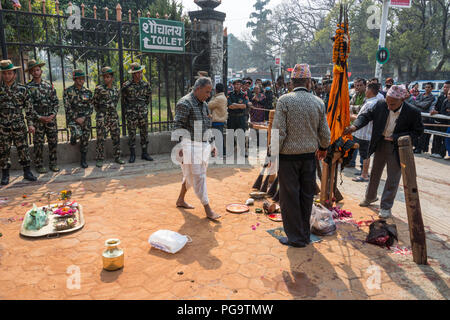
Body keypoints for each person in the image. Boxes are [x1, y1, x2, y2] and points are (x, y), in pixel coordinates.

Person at [271, 64, 331, 247]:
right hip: (309, 159)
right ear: (308, 82)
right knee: (306, 196)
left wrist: (272, 154)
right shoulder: (318, 102)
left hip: (288, 158)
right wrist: (322, 147)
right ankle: (304, 234)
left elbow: (279, 132)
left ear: (292, 82)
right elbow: (325, 135)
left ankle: (295, 238)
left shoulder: (284, 101)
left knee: (289, 198)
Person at [344, 85, 424, 218]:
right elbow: (366, 116)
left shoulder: (413, 112)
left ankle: (386, 207)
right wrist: (354, 126)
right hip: (380, 142)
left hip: (398, 147)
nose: (388, 106)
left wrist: (396, 137)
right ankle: (370, 197)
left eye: (392, 104)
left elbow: (418, 131)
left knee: (393, 177)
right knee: (375, 172)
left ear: (402, 100)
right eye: (387, 102)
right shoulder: (381, 104)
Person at [174, 77, 220, 221]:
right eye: (206, 92)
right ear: (197, 89)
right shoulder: (185, 103)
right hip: (189, 145)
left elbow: (207, 126)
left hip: (202, 145)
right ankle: (208, 208)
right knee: (199, 177)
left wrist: (212, 145)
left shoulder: (204, 104)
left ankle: (180, 200)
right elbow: (177, 126)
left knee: (190, 175)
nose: (208, 95)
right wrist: (180, 146)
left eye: (210, 92)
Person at [0, 59, 38, 185]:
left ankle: (27, 172)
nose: (7, 76)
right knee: (3, 150)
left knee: (23, 149)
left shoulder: (22, 89)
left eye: (9, 73)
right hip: (2, 126)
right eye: (4, 73)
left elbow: (29, 109)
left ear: (14, 74)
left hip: (19, 125)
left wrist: (31, 124)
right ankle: (5, 175)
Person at [25, 59, 60, 173]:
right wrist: (39, 117)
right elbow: (29, 106)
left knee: (53, 142)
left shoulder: (48, 86)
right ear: (30, 73)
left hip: (50, 119)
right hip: (38, 120)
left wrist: (52, 115)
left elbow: (56, 102)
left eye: (37, 70)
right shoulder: (28, 88)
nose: (36, 72)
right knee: (38, 143)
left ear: (41, 71)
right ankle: (39, 165)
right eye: (33, 71)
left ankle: (53, 163)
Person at [92, 66, 125, 168]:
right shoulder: (99, 89)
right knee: (101, 138)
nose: (106, 79)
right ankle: (100, 159)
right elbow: (95, 102)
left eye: (108, 77)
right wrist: (101, 112)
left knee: (116, 137)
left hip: (113, 116)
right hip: (102, 116)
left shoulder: (115, 89)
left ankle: (117, 156)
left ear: (112, 78)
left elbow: (116, 101)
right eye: (104, 77)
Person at [122, 62, 153, 163]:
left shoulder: (146, 85)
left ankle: (145, 153)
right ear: (133, 74)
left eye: (140, 72)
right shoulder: (126, 86)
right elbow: (124, 100)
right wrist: (130, 109)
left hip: (143, 113)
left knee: (144, 133)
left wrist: (142, 108)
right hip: (131, 114)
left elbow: (148, 99)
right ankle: (133, 154)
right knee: (132, 134)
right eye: (137, 73)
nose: (139, 75)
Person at [63, 69, 93, 169]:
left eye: (82, 78)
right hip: (73, 119)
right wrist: (76, 118)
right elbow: (67, 107)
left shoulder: (88, 92)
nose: (81, 80)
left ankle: (83, 159)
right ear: (74, 79)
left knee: (85, 138)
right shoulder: (68, 91)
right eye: (79, 79)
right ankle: (73, 136)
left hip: (85, 119)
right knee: (77, 133)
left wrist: (84, 117)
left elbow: (90, 107)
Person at [351, 83, 379, 182]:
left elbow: (361, 118)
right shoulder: (373, 102)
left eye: (367, 89)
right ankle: (364, 172)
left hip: (364, 133)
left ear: (370, 90)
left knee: (365, 155)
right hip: (365, 133)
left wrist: (350, 116)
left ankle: (364, 175)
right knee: (365, 155)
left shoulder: (371, 104)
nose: (365, 91)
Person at [347, 78, 367, 168]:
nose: (358, 87)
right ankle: (351, 162)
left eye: (360, 85)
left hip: (363, 124)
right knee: (353, 144)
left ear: (365, 86)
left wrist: (353, 109)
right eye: (356, 86)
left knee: (363, 145)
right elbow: (348, 106)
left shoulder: (367, 95)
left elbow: (363, 108)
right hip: (354, 123)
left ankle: (363, 166)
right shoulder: (355, 95)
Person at [412, 82, 436, 154]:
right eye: (426, 87)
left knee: (423, 135)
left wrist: (418, 103)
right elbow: (414, 102)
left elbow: (425, 105)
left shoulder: (432, 97)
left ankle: (420, 148)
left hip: (425, 119)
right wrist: (419, 104)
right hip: (417, 117)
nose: (427, 88)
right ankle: (415, 147)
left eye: (429, 87)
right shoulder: (420, 95)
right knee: (415, 133)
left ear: (432, 89)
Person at [227, 79, 249, 156]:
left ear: (241, 86)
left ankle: (243, 151)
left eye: (238, 84)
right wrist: (238, 105)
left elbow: (244, 106)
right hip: (231, 118)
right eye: (235, 84)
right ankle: (230, 151)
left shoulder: (244, 95)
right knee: (230, 134)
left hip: (241, 118)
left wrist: (235, 104)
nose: (236, 86)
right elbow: (230, 106)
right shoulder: (229, 94)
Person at [430, 81, 450, 159]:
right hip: (438, 120)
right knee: (436, 137)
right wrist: (433, 110)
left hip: (446, 123)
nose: (445, 89)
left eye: (447, 87)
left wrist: (438, 112)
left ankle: (442, 153)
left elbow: (445, 111)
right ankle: (435, 151)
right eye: (444, 87)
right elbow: (436, 106)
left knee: (445, 139)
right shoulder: (441, 97)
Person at [208, 83, 228, 157]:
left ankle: (222, 152)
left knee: (218, 138)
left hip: (217, 120)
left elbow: (209, 105)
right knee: (218, 137)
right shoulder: (222, 97)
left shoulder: (218, 98)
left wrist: (213, 96)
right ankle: (220, 152)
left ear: (216, 90)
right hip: (219, 119)